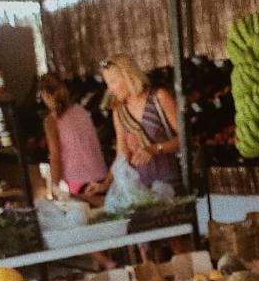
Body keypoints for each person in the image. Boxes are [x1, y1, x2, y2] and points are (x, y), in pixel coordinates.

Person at [84, 54, 181, 197]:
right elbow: (122, 154)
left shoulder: (159, 97)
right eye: (107, 83)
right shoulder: (118, 110)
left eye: (113, 82)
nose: (110, 89)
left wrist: (154, 149)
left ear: (128, 76)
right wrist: (105, 183)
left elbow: (185, 139)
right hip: (139, 188)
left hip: (169, 184)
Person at [38, 73, 106, 196]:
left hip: (78, 181)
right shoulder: (80, 110)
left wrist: (54, 187)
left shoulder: (51, 120)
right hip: (101, 177)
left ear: (44, 95)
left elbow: (55, 156)